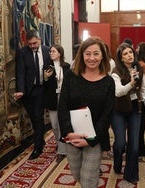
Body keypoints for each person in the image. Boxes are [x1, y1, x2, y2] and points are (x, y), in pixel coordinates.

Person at [57, 37, 115, 187]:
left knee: (88, 180)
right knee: (77, 174)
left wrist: (91, 139)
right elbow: (62, 106)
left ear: (103, 56)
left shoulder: (108, 82)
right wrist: (68, 132)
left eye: (96, 54)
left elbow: (107, 115)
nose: (92, 58)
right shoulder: (71, 76)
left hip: (94, 138)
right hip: (72, 135)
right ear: (81, 55)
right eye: (88, 54)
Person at [111, 42, 145, 184]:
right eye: (125, 54)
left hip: (135, 108)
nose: (129, 55)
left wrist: (143, 102)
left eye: (130, 52)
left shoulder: (139, 68)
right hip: (118, 109)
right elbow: (118, 92)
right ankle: (117, 161)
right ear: (121, 58)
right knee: (120, 143)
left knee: (134, 143)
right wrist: (131, 83)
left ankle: (130, 174)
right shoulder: (115, 71)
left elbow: (143, 88)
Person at [14, 30, 52, 160]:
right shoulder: (22, 52)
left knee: (38, 116)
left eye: (34, 43)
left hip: (42, 89)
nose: (32, 46)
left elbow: (53, 68)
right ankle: (40, 140)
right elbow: (20, 72)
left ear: (40, 40)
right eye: (30, 44)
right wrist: (20, 90)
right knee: (34, 117)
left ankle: (38, 147)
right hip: (28, 92)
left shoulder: (48, 51)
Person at [43, 44, 70, 162]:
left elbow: (70, 83)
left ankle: (61, 151)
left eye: (53, 51)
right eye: (50, 52)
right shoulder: (47, 66)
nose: (50, 53)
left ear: (59, 53)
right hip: (52, 98)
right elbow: (45, 86)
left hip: (64, 98)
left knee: (62, 124)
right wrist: (45, 78)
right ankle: (60, 143)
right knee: (54, 125)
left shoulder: (67, 66)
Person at [136, 42, 145, 157]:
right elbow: (143, 85)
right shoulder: (143, 65)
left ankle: (140, 146)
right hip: (141, 98)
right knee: (140, 126)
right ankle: (140, 147)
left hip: (141, 97)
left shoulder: (140, 64)